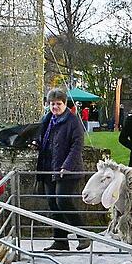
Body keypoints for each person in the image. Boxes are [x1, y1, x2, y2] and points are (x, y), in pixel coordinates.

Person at [35, 88, 89, 251]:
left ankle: (83, 235)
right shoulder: (48, 119)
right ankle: (60, 241)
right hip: (49, 167)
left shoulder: (73, 121)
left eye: (58, 104)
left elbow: (77, 145)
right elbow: (44, 139)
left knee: (62, 200)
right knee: (53, 203)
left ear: (65, 104)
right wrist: (37, 143)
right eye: (52, 104)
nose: (55, 107)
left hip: (68, 170)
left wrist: (67, 165)